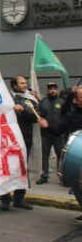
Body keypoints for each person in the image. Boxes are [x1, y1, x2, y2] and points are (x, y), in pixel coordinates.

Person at [39, 86, 82, 223]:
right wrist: (47, 126)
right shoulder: (71, 115)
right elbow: (58, 130)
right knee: (76, 186)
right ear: (76, 100)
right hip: (78, 155)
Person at [0, 75, 38, 211]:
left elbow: (36, 117)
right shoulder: (6, 98)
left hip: (25, 140)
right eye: (22, 83)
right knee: (7, 169)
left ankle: (19, 199)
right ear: (14, 86)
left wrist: (24, 109)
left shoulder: (30, 99)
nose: (25, 85)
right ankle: (5, 199)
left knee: (22, 170)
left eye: (25, 83)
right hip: (8, 141)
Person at [35, 82, 65, 185]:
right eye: (50, 89)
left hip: (58, 134)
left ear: (57, 90)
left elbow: (65, 117)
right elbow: (38, 114)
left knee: (60, 156)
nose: (52, 90)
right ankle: (44, 175)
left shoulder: (62, 102)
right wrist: (38, 118)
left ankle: (61, 176)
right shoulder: (43, 101)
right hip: (45, 134)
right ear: (48, 90)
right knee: (45, 156)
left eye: (54, 89)